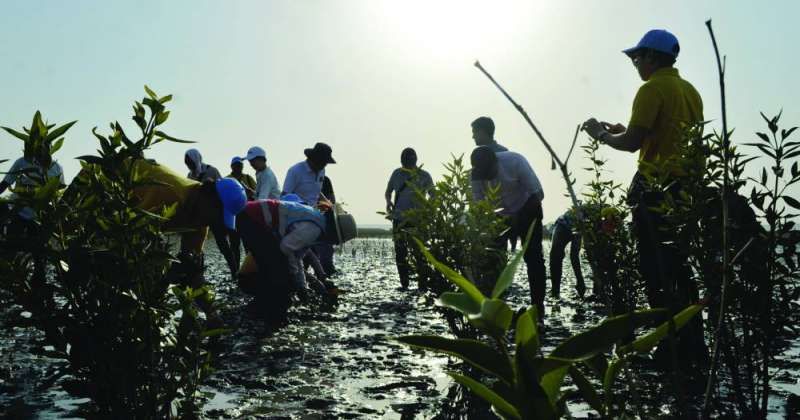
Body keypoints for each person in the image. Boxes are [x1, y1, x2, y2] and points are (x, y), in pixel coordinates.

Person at [581, 29, 706, 365]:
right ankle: (694, 342)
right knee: (679, 266)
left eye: (637, 57)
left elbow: (632, 144)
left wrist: (601, 134)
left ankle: (670, 345)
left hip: (654, 188)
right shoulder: (689, 91)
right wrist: (622, 130)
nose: (635, 64)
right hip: (685, 191)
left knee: (655, 268)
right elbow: (661, 135)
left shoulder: (651, 89)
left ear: (651, 56)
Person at [233, 191, 357, 323]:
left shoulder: (316, 222)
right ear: (334, 233)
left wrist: (301, 286)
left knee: (281, 275)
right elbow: (286, 247)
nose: (334, 243)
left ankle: (263, 307)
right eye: (336, 241)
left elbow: (297, 257)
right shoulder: (314, 229)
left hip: (251, 218)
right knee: (281, 277)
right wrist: (293, 274)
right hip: (252, 219)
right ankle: (268, 314)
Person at [471, 146, 546, 318]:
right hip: (499, 215)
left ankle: (537, 307)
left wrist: (518, 219)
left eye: (489, 173)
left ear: (495, 162)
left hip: (527, 207)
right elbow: (479, 208)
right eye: (483, 175)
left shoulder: (515, 161)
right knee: (490, 257)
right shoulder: (476, 175)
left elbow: (538, 194)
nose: (487, 178)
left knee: (533, 257)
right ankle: (493, 306)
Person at [384, 147, 434, 288]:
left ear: (415, 160)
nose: (406, 162)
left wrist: (427, 210)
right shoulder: (396, 173)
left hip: (418, 220)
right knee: (400, 253)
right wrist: (388, 202)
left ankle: (422, 285)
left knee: (420, 253)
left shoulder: (424, 175)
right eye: (404, 160)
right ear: (401, 161)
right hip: (399, 220)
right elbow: (388, 192)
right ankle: (404, 284)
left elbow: (434, 195)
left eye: (409, 160)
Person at [226, 156, 257, 267]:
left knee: (248, 245)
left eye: (240, 165)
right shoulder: (227, 180)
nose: (238, 167)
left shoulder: (248, 178)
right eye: (236, 165)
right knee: (234, 245)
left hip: (248, 216)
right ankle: (236, 269)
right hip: (233, 217)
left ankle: (250, 268)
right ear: (231, 166)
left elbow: (257, 194)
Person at [549, 208, 586, 299]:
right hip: (562, 225)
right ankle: (555, 291)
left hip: (577, 225)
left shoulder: (584, 219)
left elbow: (574, 256)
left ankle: (581, 284)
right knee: (555, 257)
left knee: (574, 255)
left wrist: (579, 279)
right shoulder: (564, 223)